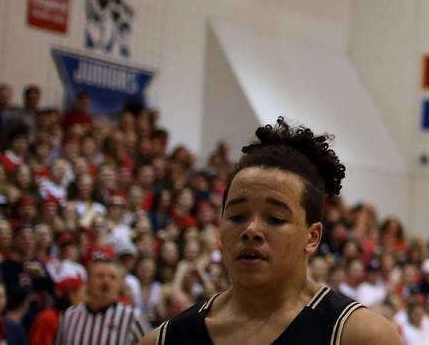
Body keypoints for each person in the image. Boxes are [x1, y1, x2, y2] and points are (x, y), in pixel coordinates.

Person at [139, 119, 401, 345]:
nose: (251, 230)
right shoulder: (164, 340)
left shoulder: (361, 335)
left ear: (312, 237)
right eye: (237, 216)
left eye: (275, 219)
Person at [54, 254, 147, 345]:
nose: (106, 281)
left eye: (112, 277)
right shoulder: (69, 316)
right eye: (100, 276)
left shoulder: (132, 317)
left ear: (119, 285)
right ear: (88, 282)